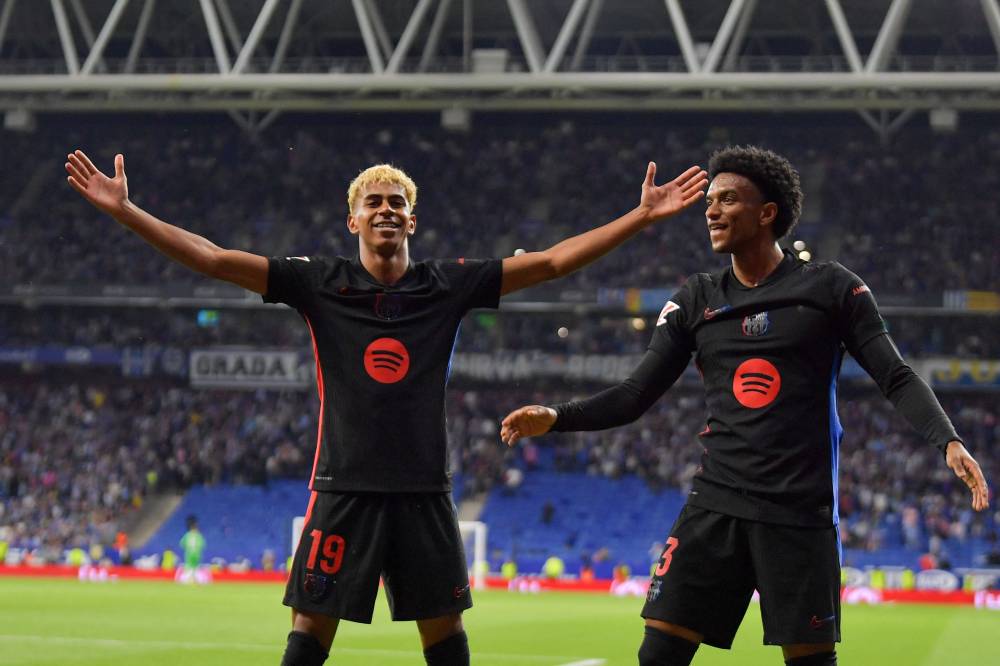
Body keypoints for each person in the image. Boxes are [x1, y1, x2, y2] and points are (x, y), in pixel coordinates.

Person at [65, 149, 707, 666]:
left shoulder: (446, 285)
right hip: (343, 487)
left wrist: (640, 217)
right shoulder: (318, 282)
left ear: (412, 219)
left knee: (445, 637)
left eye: (397, 203)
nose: (386, 210)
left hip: (423, 490)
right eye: (372, 203)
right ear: (353, 221)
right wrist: (127, 213)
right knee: (308, 635)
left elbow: (550, 263)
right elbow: (211, 259)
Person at [500, 145, 990, 666]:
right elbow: (634, 395)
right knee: (658, 655)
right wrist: (556, 417)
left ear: (766, 213)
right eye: (709, 200)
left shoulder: (831, 288)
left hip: (799, 511)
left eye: (727, 200)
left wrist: (948, 440)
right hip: (716, 505)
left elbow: (896, 375)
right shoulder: (696, 298)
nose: (711, 210)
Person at [179, 514, 206, 583]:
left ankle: (185, 579)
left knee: (189, 568)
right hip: (197, 554)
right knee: (196, 568)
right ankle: (199, 580)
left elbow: (181, 544)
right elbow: (203, 545)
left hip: (189, 554)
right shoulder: (199, 535)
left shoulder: (187, 535)